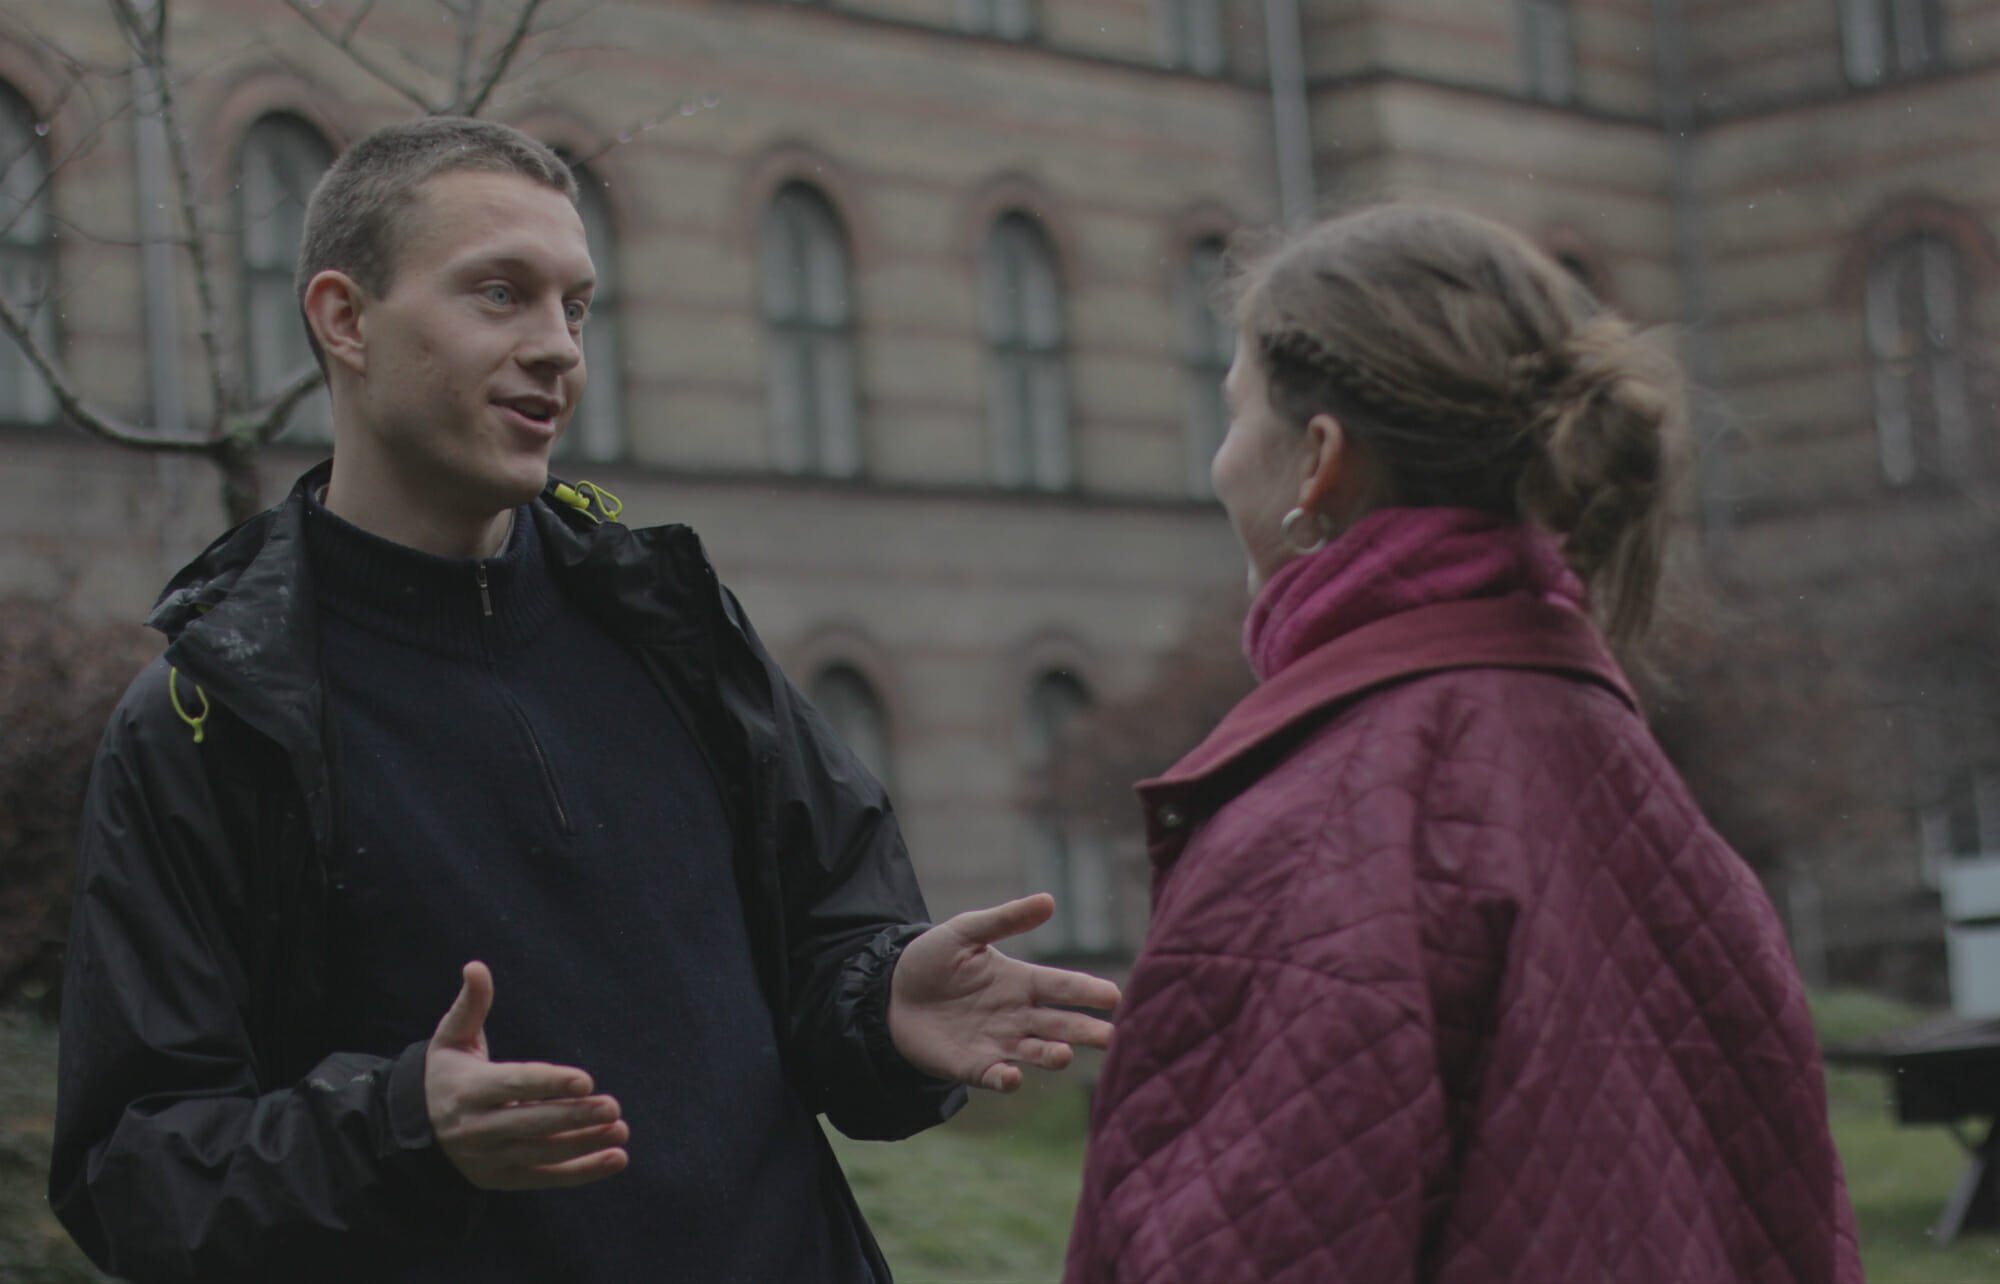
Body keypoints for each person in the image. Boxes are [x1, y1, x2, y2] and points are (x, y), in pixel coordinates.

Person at [50, 116, 1118, 1283]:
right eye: (500, 295)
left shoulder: (674, 631)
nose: (556, 347)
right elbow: (135, 1175)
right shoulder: (216, 716)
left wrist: (882, 1004)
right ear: (344, 320)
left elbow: (833, 957)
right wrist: (404, 1128)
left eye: (576, 305)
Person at [1064, 205, 1861, 1283]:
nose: (1218, 464)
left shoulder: (1321, 833)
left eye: (1234, 414)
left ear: (1318, 463)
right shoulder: (1621, 777)